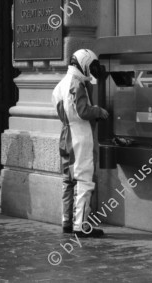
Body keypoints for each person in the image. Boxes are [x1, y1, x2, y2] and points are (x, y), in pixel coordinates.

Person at [52, 49, 109, 237]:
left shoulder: (60, 85)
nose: (92, 70)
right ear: (83, 64)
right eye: (91, 66)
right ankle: (81, 226)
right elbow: (83, 111)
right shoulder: (76, 84)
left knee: (68, 181)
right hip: (80, 137)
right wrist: (99, 111)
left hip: (65, 136)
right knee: (84, 180)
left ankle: (67, 222)